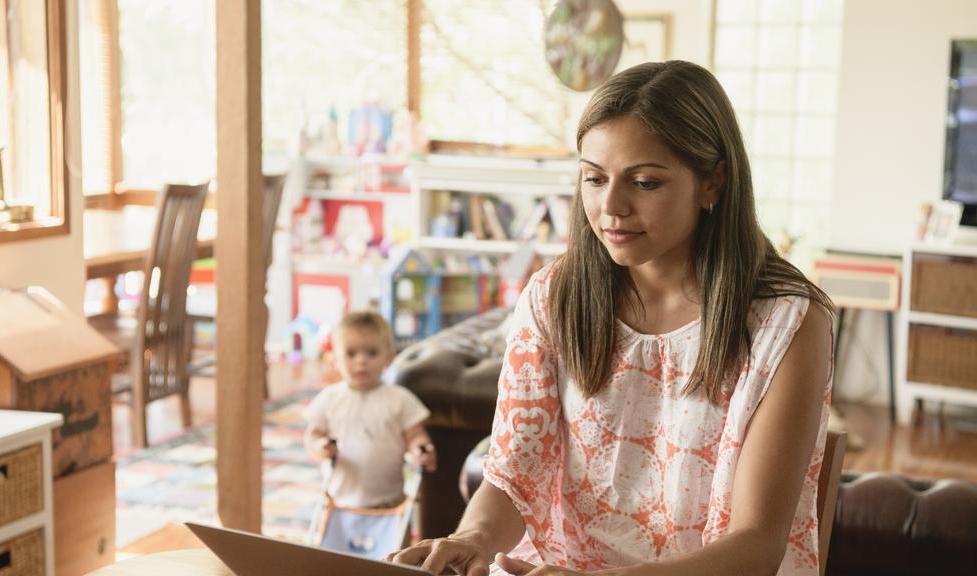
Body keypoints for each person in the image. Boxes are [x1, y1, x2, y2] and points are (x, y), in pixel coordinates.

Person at [389, 60, 834, 576]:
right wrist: (475, 538)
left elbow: (756, 546)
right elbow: (516, 474)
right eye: (594, 179)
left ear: (713, 183)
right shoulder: (553, 297)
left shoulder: (787, 323)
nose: (611, 207)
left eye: (644, 182)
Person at [304, 310, 437, 509]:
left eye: (372, 353)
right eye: (351, 354)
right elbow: (313, 435)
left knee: (396, 541)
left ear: (389, 358)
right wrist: (319, 446)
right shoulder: (328, 399)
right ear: (334, 360)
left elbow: (415, 435)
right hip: (338, 502)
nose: (361, 361)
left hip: (390, 503)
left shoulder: (400, 399)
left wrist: (421, 448)